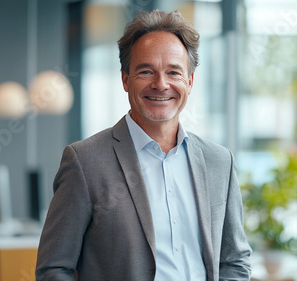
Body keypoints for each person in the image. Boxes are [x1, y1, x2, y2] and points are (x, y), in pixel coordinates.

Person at [36, 9, 252, 281]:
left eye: (173, 72)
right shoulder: (84, 161)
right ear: (125, 79)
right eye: (146, 71)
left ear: (190, 81)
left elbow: (234, 259)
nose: (160, 84)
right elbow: (54, 269)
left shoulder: (219, 161)